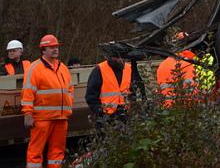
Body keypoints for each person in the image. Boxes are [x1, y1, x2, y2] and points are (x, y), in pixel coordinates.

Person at [20, 34, 73, 168]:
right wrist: (28, 114)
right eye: (51, 47)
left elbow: (70, 89)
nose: (55, 50)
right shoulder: (34, 69)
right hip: (42, 120)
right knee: (35, 153)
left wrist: (68, 106)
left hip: (61, 119)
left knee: (57, 154)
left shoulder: (63, 68)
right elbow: (27, 93)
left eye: (56, 47)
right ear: (43, 50)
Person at [85, 49, 145, 133]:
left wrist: (132, 108)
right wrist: (100, 112)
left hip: (125, 115)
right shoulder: (100, 69)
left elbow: (135, 91)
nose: (122, 60)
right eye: (120, 58)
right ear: (112, 58)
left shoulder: (129, 69)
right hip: (106, 116)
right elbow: (91, 96)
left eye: (124, 58)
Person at [155, 33, 197, 107]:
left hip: (166, 108)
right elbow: (190, 91)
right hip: (183, 109)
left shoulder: (162, 65)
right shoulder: (187, 64)